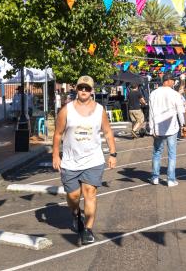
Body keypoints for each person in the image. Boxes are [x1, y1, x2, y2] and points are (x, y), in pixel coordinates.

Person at [52, 75, 117, 246]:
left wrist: (113, 153)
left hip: (93, 160)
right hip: (70, 161)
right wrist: (55, 155)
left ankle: (88, 229)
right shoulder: (66, 110)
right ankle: (75, 214)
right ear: (76, 89)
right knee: (73, 196)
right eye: (81, 87)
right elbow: (58, 134)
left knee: (90, 193)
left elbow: (108, 132)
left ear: (92, 91)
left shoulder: (99, 110)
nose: (83, 91)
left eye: (87, 88)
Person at [149, 73, 186, 186]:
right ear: (168, 81)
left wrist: (151, 128)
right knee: (172, 154)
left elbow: (150, 113)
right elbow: (180, 111)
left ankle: (155, 177)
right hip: (171, 127)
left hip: (158, 127)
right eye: (173, 81)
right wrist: (183, 124)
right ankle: (170, 179)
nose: (174, 83)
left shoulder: (153, 93)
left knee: (157, 153)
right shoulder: (175, 94)